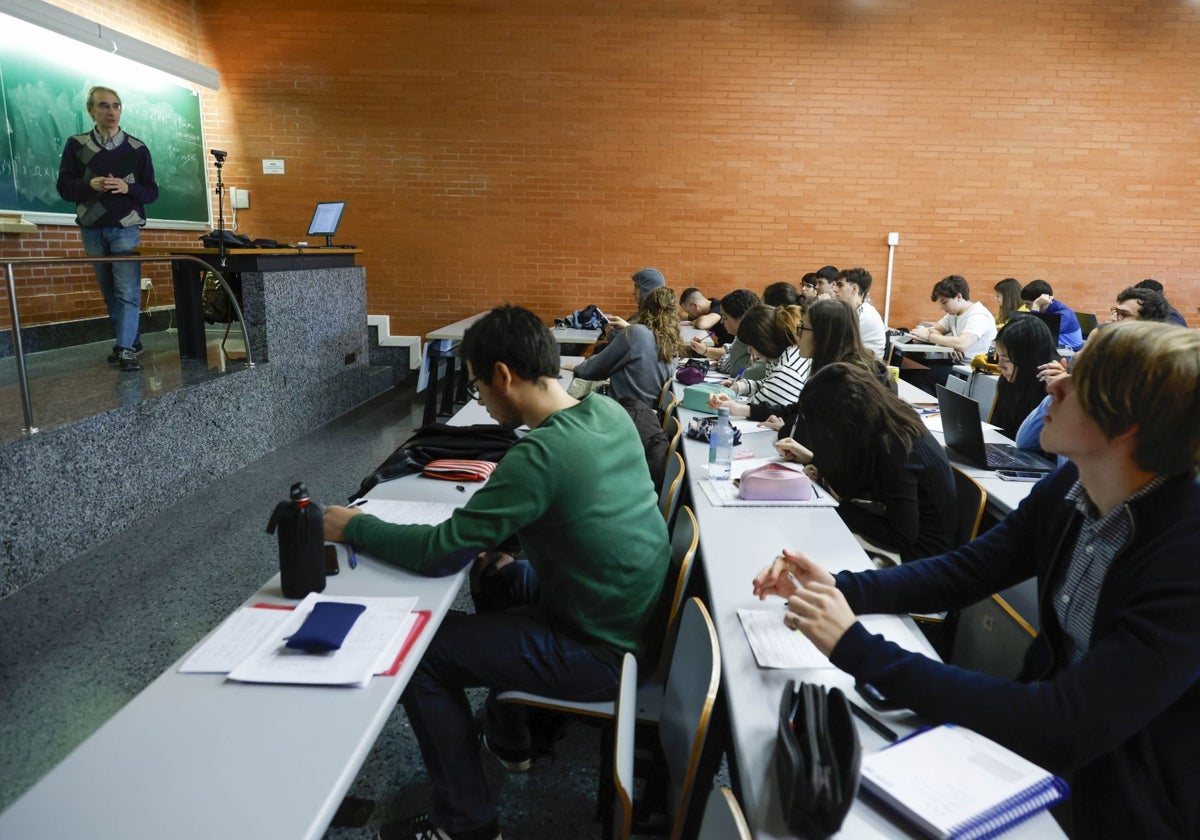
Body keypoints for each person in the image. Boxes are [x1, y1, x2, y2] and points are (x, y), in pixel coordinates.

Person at [753, 321, 1200, 839]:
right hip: (1044, 762)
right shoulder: (1071, 488)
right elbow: (966, 571)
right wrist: (838, 586)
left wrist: (857, 647)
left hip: (1127, 803)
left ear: (1127, 427)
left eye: (1080, 380)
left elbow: (1063, 723)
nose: (1055, 384)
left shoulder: (1185, 557)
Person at [324, 305, 670, 840]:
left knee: (418, 654)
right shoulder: (606, 412)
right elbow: (577, 509)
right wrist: (505, 544)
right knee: (496, 572)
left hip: (602, 648)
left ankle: (465, 825)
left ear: (504, 375)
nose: (480, 401)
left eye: (479, 387)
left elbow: (441, 552)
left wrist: (352, 527)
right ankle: (514, 737)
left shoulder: (539, 455)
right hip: (626, 612)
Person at [774, 363, 957, 562]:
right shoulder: (885, 419)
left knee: (808, 548)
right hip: (902, 536)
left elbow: (900, 536)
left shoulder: (897, 447)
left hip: (919, 559)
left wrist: (840, 506)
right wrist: (813, 458)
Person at [55, 85, 159, 372]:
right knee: (110, 291)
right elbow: (64, 187)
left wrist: (128, 187)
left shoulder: (137, 149)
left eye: (115, 105)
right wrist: (88, 184)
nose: (110, 111)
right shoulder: (76, 145)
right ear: (91, 111)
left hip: (126, 227)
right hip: (91, 226)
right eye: (103, 106)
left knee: (126, 289)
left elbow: (152, 193)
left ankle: (124, 349)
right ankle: (132, 340)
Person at [761, 298, 885, 435]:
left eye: (802, 328)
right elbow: (802, 410)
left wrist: (788, 431)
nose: (797, 335)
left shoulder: (842, 383)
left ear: (823, 335)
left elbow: (822, 439)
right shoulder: (856, 365)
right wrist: (748, 410)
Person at [570, 286, 685, 405]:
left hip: (622, 407)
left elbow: (595, 369)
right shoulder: (673, 340)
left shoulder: (635, 333)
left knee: (570, 389)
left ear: (647, 307)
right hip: (647, 410)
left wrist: (576, 367)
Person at [708, 304, 809, 420]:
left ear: (764, 342)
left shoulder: (788, 369)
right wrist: (741, 386)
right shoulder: (781, 355)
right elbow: (769, 384)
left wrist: (733, 404)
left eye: (751, 345)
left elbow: (760, 407)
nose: (749, 350)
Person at [905, 275, 997, 391]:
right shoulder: (953, 314)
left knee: (921, 375)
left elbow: (962, 344)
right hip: (956, 364)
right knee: (911, 364)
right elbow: (936, 330)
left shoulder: (978, 315)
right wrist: (951, 344)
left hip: (972, 371)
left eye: (944, 302)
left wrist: (929, 336)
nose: (942, 307)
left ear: (958, 296)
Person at [989, 315, 1059, 440]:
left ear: (1029, 360)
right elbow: (999, 428)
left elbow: (1029, 443)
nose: (999, 366)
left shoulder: (1053, 390)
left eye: (1006, 359)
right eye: (999, 357)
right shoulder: (1007, 382)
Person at [688, 288, 761, 378]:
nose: (722, 322)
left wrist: (720, 362)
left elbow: (729, 366)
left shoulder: (755, 341)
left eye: (725, 318)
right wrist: (704, 350)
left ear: (741, 318)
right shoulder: (741, 336)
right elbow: (729, 349)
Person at [832, 267, 886, 359]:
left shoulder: (866, 315)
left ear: (854, 289)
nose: (835, 290)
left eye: (840, 285)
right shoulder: (854, 310)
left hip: (865, 368)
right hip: (853, 362)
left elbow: (833, 342)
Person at [1020, 279, 1084, 351]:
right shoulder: (1046, 310)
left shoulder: (1063, 315)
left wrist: (1036, 307)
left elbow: (1036, 334)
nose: (1026, 307)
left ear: (1042, 302)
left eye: (1028, 304)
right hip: (1054, 347)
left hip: (1069, 352)